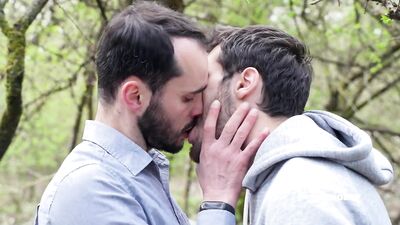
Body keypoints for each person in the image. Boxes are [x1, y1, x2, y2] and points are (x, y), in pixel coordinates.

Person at [34, 2, 268, 225]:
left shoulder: (140, 175)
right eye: (187, 97)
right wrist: (217, 202)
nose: (199, 110)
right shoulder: (91, 188)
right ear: (135, 96)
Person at [188, 25, 393, 224]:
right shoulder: (298, 176)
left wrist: (216, 207)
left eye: (204, 83)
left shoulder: (299, 190)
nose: (194, 102)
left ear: (245, 83)